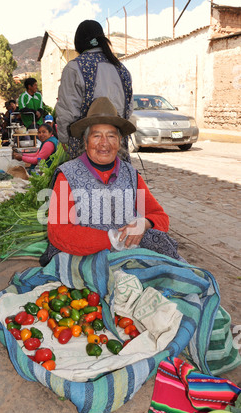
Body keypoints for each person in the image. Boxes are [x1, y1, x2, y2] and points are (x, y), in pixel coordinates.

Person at [45, 97, 185, 263]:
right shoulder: (68, 175)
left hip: (129, 254)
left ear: (119, 142)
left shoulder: (130, 175)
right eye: (97, 136)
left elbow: (160, 217)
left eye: (111, 136)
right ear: (85, 140)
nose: (104, 144)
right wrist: (111, 239)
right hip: (81, 257)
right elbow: (58, 231)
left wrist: (144, 222)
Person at [55, 20, 134, 160]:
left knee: (84, 180)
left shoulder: (74, 67)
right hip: (116, 146)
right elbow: (128, 109)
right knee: (116, 179)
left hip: (85, 148)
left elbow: (67, 111)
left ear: (78, 42)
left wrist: (64, 139)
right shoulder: (121, 69)